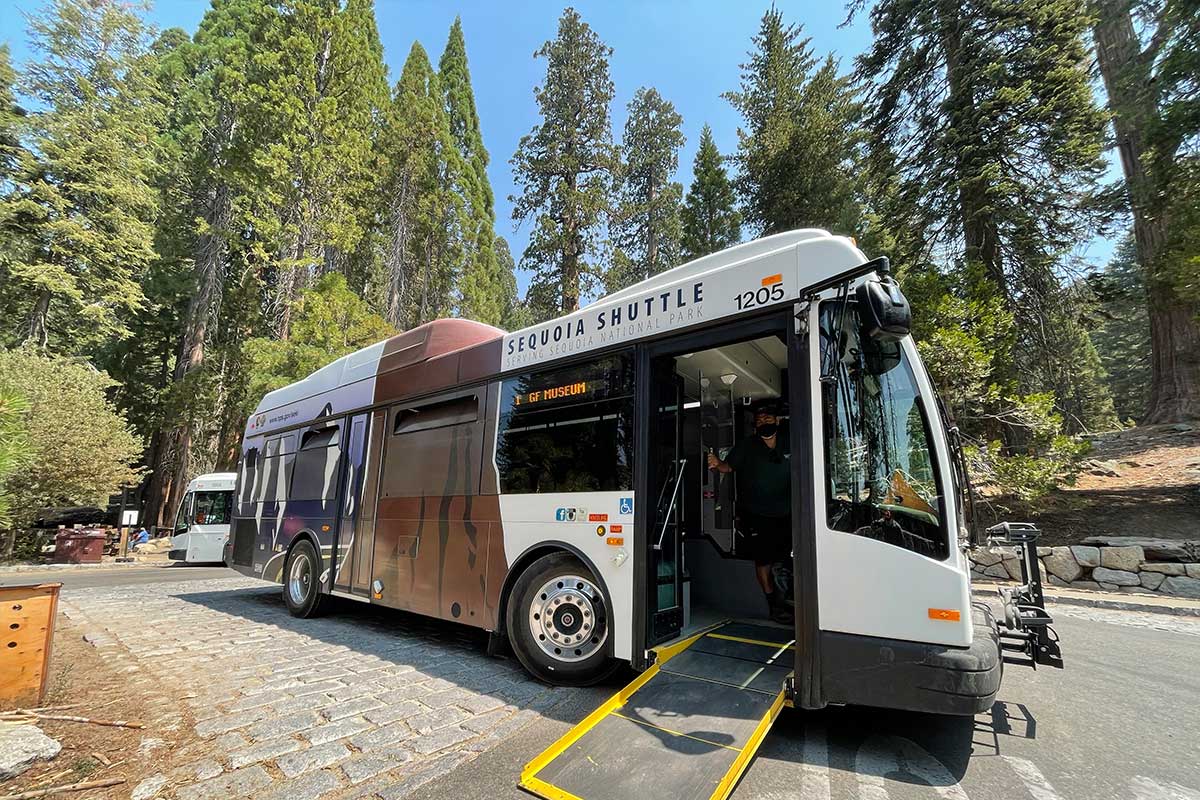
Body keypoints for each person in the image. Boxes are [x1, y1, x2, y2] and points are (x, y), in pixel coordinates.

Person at [707, 401, 793, 624]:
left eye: (768, 419)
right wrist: (717, 463)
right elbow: (728, 467)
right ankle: (774, 605)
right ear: (755, 425)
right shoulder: (747, 446)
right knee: (763, 560)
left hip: (787, 512)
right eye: (760, 420)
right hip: (756, 514)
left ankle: (788, 601)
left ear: (777, 420)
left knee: (783, 559)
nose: (764, 422)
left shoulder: (790, 440)